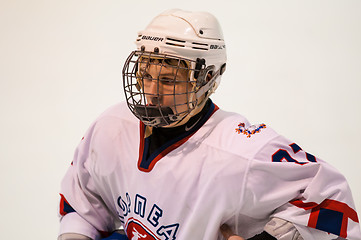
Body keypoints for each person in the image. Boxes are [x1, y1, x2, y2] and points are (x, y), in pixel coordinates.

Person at [58, 9, 361, 240]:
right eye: (146, 76)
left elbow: (333, 202)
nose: (150, 93)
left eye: (167, 81)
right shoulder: (111, 127)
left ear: (207, 80)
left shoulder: (241, 151)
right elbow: (82, 200)